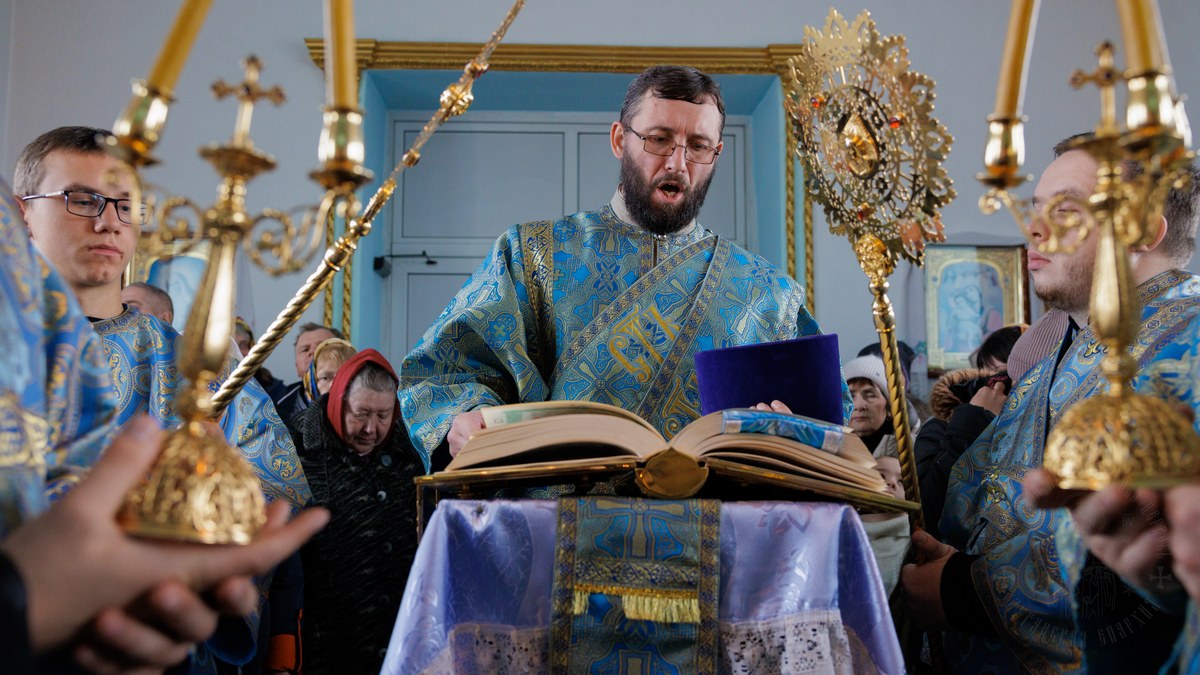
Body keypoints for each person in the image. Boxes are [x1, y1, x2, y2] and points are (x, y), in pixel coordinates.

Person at [401, 65, 838, 472]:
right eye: (659, 139)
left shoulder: (768, 292)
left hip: (716, 519)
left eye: (698, 146)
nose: (677, 163)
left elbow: (827, 416)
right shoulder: (534, 254)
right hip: (558, 515)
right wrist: (466, 416)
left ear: (717, 153)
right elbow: (446, 370)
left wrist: (793, 432)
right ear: (618, 140)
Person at [0, 177, 328, 673]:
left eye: (123, 206)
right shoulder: (22, 345)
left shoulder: (187, 360)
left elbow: (268, 471)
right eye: (80, 200)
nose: (105, 221)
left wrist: (182, 531)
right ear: (25, 215)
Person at [900, 136, 1200, 672]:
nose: (1034, 230)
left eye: (1065, 210)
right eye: (1036, 209)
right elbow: (978, 505)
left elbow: (1160, 545)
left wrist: (965, 592)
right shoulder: (1043, 371)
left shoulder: (1190, 350)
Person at [293, 349, 421, 674]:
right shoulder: (300, 452)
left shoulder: (413, 453)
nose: (371, 429)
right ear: (339, 402)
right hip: (327, 640)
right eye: (361, 413)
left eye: (383, 415)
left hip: (399, 636)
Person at [915, 324, 1025, 539]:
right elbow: (928, 513)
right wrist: (973, 420)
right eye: (991, 370)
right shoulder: (940, 428)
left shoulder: (1031, 427)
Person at [841, 354, 919, 458]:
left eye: (870, 395)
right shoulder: (825, 447)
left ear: (890, 408)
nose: (859, 406)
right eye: (849, 396)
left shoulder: (915, 449)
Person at [274, 323, 344, 423]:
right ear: (297, 366)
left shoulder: (360, 393)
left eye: (322, 346)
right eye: (305, 349)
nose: (313, 351)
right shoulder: (279, 404)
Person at [233, 316, 289, 403]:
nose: (239, 352)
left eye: (243, 345)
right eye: (233, 347)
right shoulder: (212, 389)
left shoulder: (274, 388)